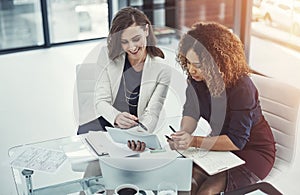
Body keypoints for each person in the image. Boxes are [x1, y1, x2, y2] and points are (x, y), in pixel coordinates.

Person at [169, 22, 276, 194]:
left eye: (198, 64)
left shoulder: (242, 87)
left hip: (253, 151)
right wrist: (183, 134)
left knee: (207, 191)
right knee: (188, 184)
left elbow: (237, 141)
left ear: (217, 62)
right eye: (188, 62)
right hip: (219, 143)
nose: (191, 69)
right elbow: (191, 111)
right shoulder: (196, 80)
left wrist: (193, 141)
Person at [77, 7, 171, 152]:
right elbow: (101, 101)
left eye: (136, 39)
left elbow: (153, 112)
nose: (132, 47)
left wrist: (141, 135)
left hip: (139, 128)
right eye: (124, 41)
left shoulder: (162, 68)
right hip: (109, 122)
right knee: (85, 141)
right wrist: (116, 117)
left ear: (146, 30)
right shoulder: (107, 56)